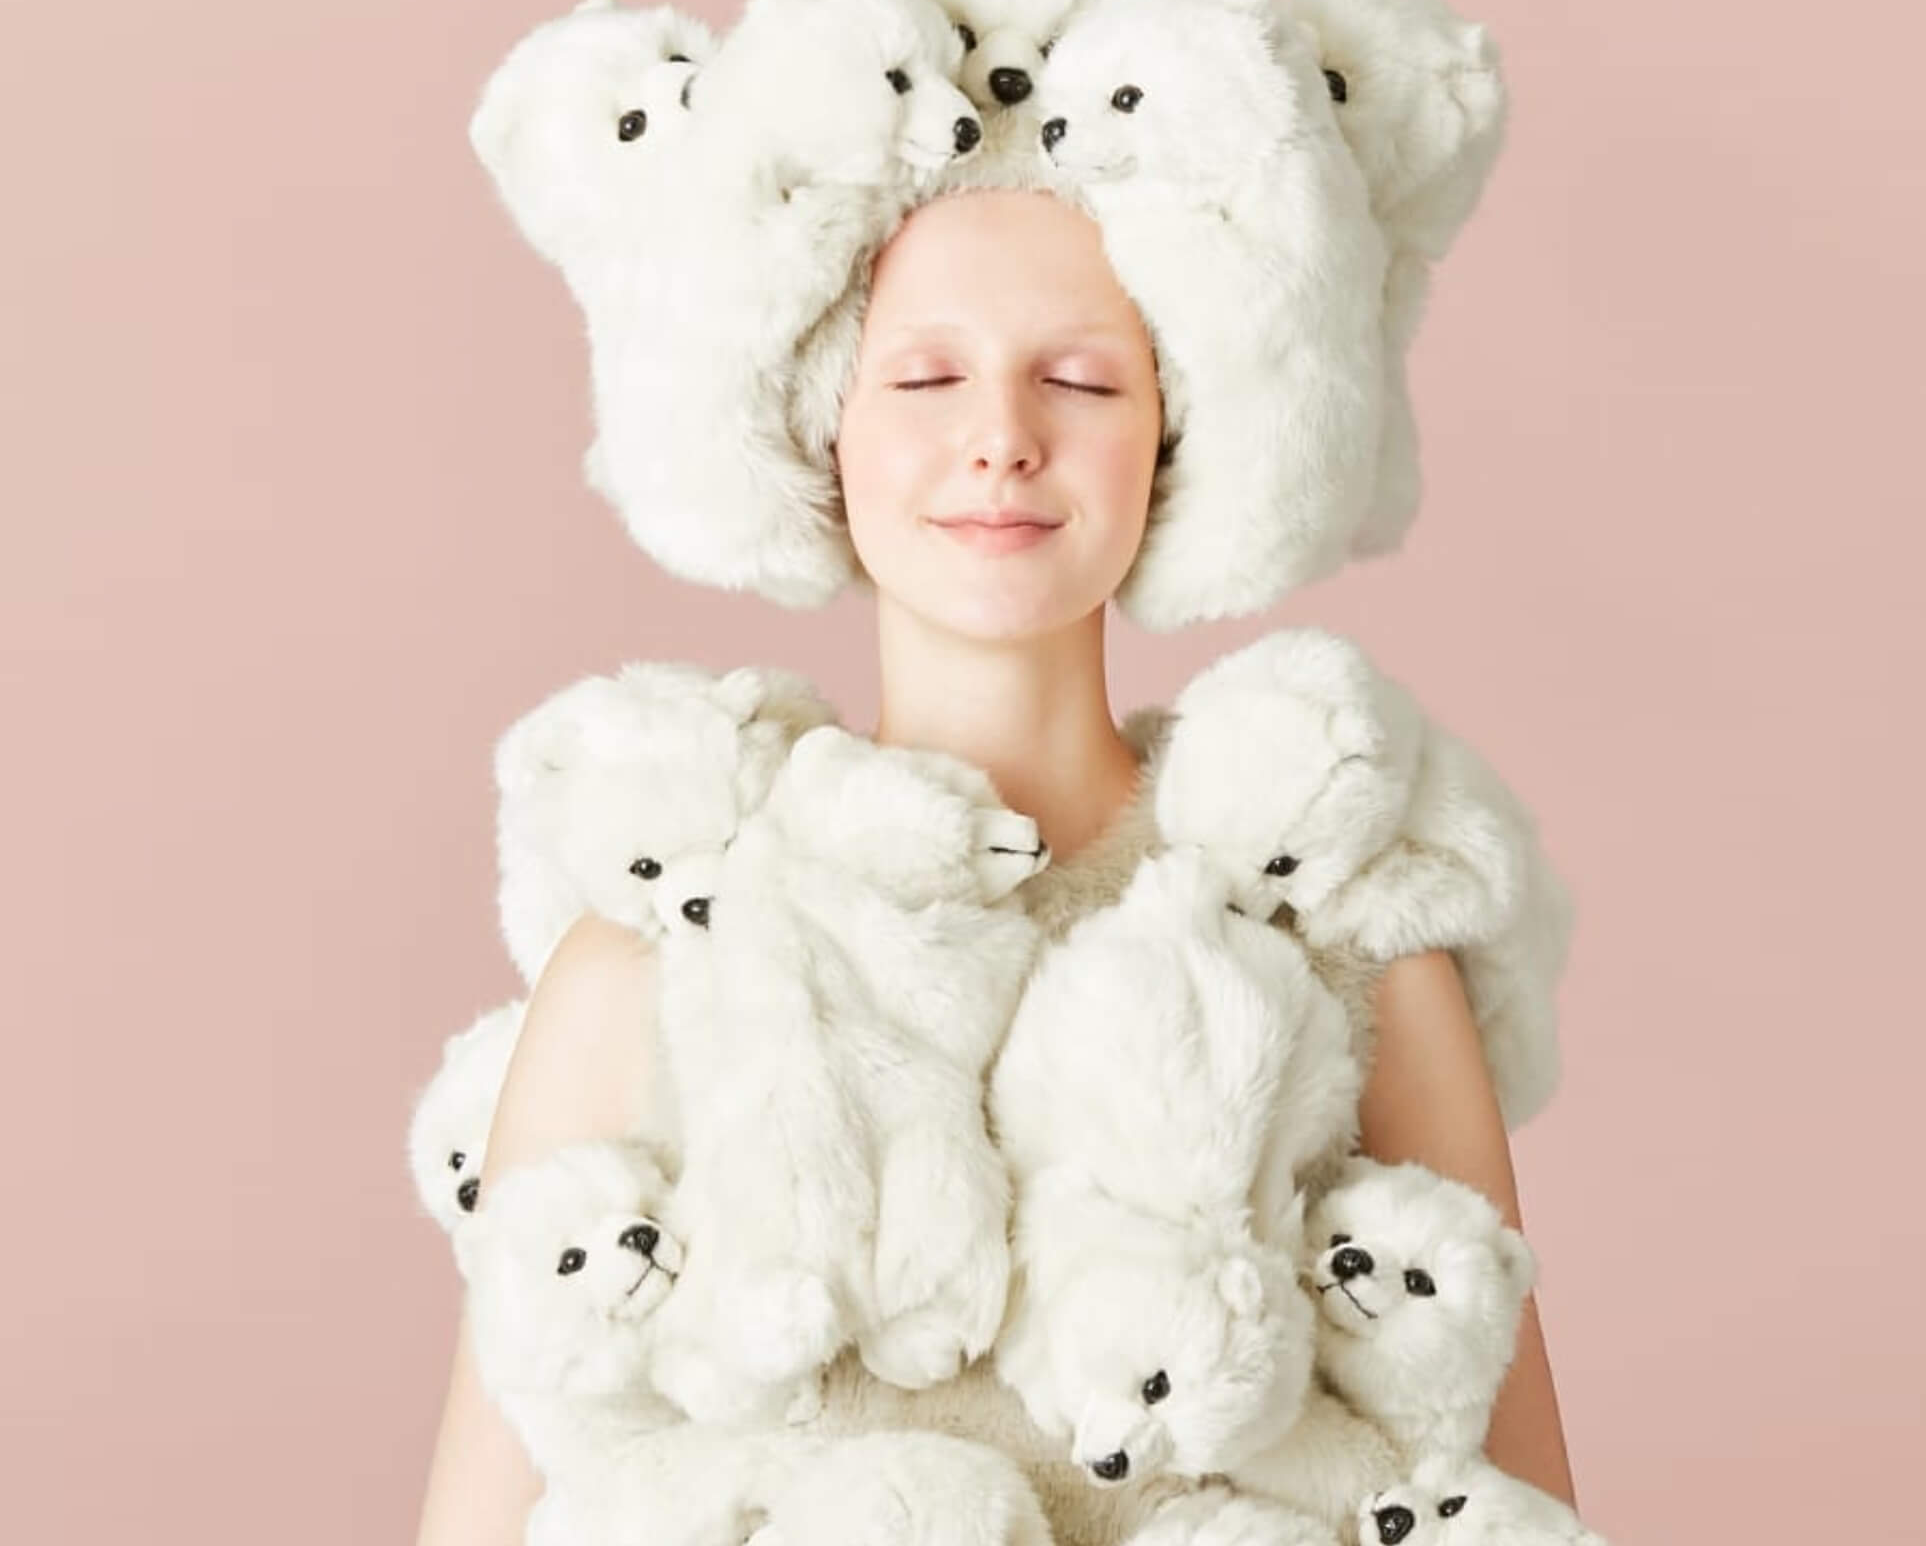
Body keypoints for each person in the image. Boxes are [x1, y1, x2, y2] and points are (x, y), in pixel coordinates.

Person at [414, 186, 1577, 1543]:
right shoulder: (648, 956)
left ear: (1176, 431)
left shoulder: (1345, 937)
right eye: (925, 378)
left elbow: (1510, 1508)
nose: (1003, 439)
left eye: (1080, 381)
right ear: (820, 424)